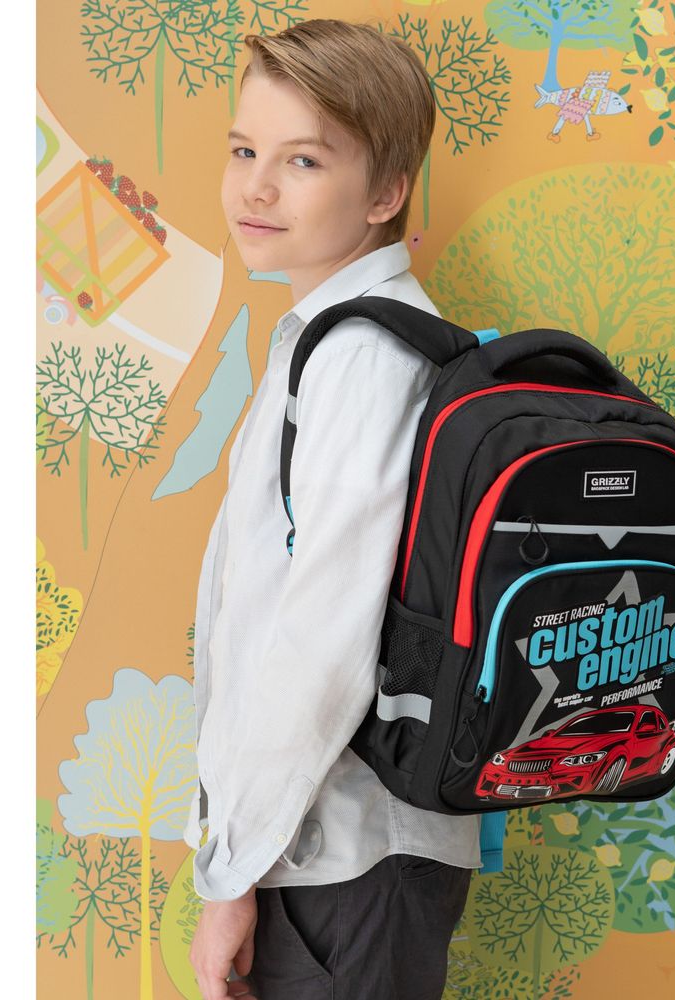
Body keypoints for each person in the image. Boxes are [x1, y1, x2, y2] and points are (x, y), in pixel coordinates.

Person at [183, 19, 482, 1000]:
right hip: (329, 853)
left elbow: (321, 639)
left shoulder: (363, 360)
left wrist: (231, 873)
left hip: (343, 856)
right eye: (244, 151)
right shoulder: (328, 341)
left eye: (302, 160)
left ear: (386, 192)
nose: (256, 188)